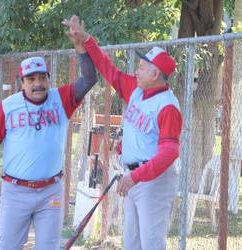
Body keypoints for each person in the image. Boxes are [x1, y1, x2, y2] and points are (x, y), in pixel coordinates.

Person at [0, 27, 97, 249]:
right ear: (21, 82)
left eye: (42, 78)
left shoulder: (60, 99)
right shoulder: (7, 107)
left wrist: (81, 48)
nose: (38, 84)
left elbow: (89, 79)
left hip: (51, 191)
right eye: (31, 79)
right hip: (16, 191)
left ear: (48, 79)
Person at [63, 15, 182, 250]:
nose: (136, 71)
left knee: (151, 244)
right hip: (133, 178)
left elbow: (170, 152)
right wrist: (87, 40)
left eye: (141, 67)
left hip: (154, 182)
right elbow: (108, 69)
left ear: (155, 74)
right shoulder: (137, 91)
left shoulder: (168, 106)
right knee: (132, 244)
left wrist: (135, 177)